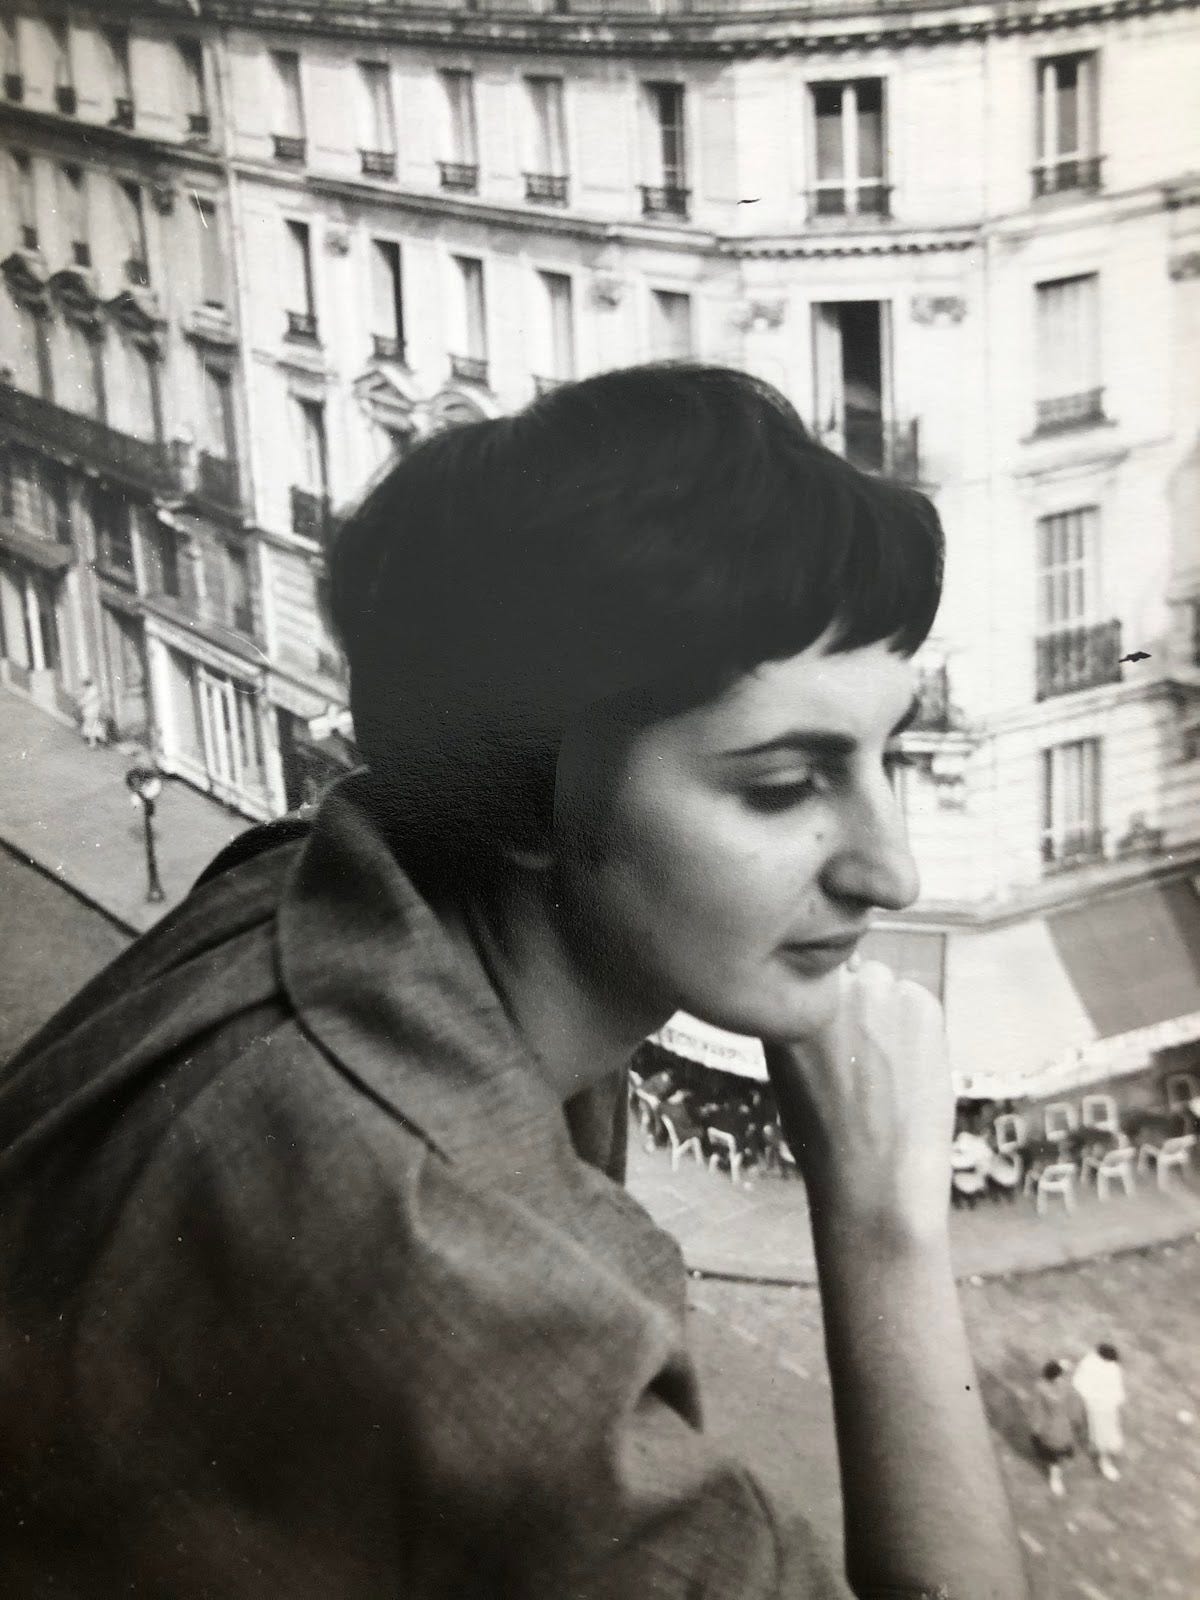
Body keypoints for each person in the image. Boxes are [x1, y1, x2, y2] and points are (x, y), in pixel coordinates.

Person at [0, 365, 1028, 1599]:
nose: (893, 868)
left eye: (885, 755)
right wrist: (883, 1224)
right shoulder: (463, 1260)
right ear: (520, 788)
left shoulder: (315, 887)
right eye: (779, 785)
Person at [1072, 1342, 1127, 1481]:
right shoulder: (1091, 1364)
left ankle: (1101, 1446)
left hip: (1107, 1406)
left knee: (1107, 1431)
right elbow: (1079, 1384)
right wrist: (1091, 1398)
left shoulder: (1112, 1367)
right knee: (1102, 1437)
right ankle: (1105, 1464)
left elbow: (1117, 1388)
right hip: (1097, 1407)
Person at [1028, 1361, 1082, 1497]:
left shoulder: (1061, 1385)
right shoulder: (1042, 1388)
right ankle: (1055, 1479)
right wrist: (1036, 1429)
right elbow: (1038, 1410)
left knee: (1060, 1451)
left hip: (1063, 1425)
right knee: (1055, 1458)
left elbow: (1073, 1403)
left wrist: (1075, 1419)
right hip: (1052, 1428)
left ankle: (1056, 1475)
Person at [77, 675, 106, 748]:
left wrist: (80, 702)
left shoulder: (91, 691)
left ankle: (93, 742)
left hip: (91, 711)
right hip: (93, 710)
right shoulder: (92, 690)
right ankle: (102, 739)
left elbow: (85, 701)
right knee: (95, 725)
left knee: (91, 726)